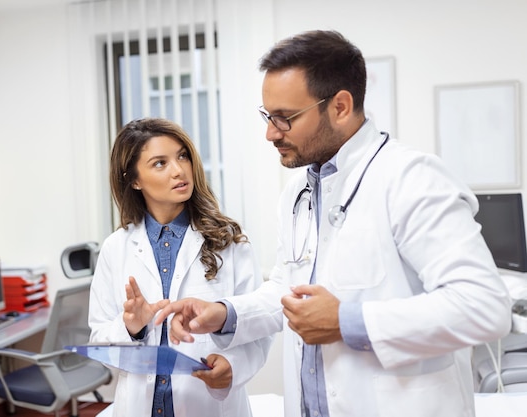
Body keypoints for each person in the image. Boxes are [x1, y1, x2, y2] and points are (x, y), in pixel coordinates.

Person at [155, 30, 512, 417]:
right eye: (267, 116)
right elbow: (288, 291)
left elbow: (484, 306)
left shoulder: (411, 178)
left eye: (284, 118)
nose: (270, 133)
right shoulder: (297, 192)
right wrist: (225, 313)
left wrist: (348, 321)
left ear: (340, 106)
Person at [88, 117, 271, 417]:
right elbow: (100, 342)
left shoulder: (229, 241)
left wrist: (233, 368)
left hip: (209, 405)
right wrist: (131, 328)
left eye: (182, 156)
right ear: (134, 180)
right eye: (160, 163)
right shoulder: (115, 249)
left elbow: (258, 326)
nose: (179, 170)